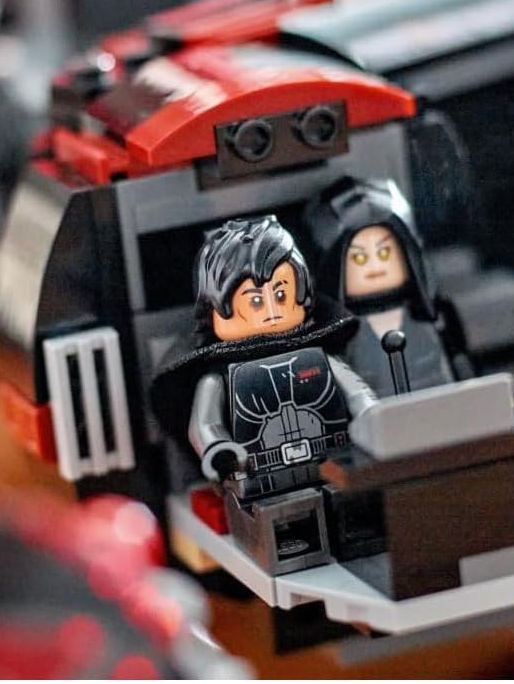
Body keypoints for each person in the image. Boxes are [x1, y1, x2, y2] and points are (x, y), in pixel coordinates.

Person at [151, 215, 376, 573]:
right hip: (262, 475)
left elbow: (357, 393)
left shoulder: (321, 357)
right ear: (215, 309)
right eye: (255, 301)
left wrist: (371, 417)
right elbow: (204, 425)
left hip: (333, 461)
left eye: (281, 295)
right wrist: (220, 451)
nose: (271, 312)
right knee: (283, 529)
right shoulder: (217, 379)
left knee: (358, 513)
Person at [302, 177, 474, 398]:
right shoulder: (335, 338)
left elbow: (463, 368)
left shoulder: (438, 317)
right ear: (334, 266)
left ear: (408, 254)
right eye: (360, 258)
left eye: (384, 253)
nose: (375, 266)